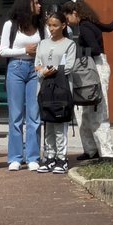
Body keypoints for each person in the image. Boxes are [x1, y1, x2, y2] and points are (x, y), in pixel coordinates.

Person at [61, 0, 113, 162]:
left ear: (75, 13)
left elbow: (95, 49)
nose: (69, 23)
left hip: (95, 67)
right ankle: (91, 150)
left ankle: (107, 153)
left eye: (68, 18)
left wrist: (77, 52)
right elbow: (108, 27)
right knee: (85, 110)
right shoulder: (92, 22)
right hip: (97, 66)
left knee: (97, 109)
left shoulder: (84, 26)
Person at [0, 0, 44, 172]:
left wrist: (39, 54)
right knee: (15, 115)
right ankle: (15, 157)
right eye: (36, 3)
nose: (39, 5)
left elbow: (48, 46)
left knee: (34, 115)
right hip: (16, 68)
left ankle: (33, 156)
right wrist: (24, 50)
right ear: (26, 5)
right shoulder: (11, 25)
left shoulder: (41, 26)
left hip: (36, 69)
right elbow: (3, 51)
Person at [35, 12, 76, 174]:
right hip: (44, 87)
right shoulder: (42, 44)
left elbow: (69, 66)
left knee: (60, 124)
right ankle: (49, 157)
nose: (51, 29)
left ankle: (62, 158)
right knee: (48, 123)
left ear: (63, 26)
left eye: (55, 25)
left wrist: (52, 70)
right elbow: (37, 64)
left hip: (61, 88)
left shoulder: (69, 44)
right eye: (49, 25)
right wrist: (44, 71)